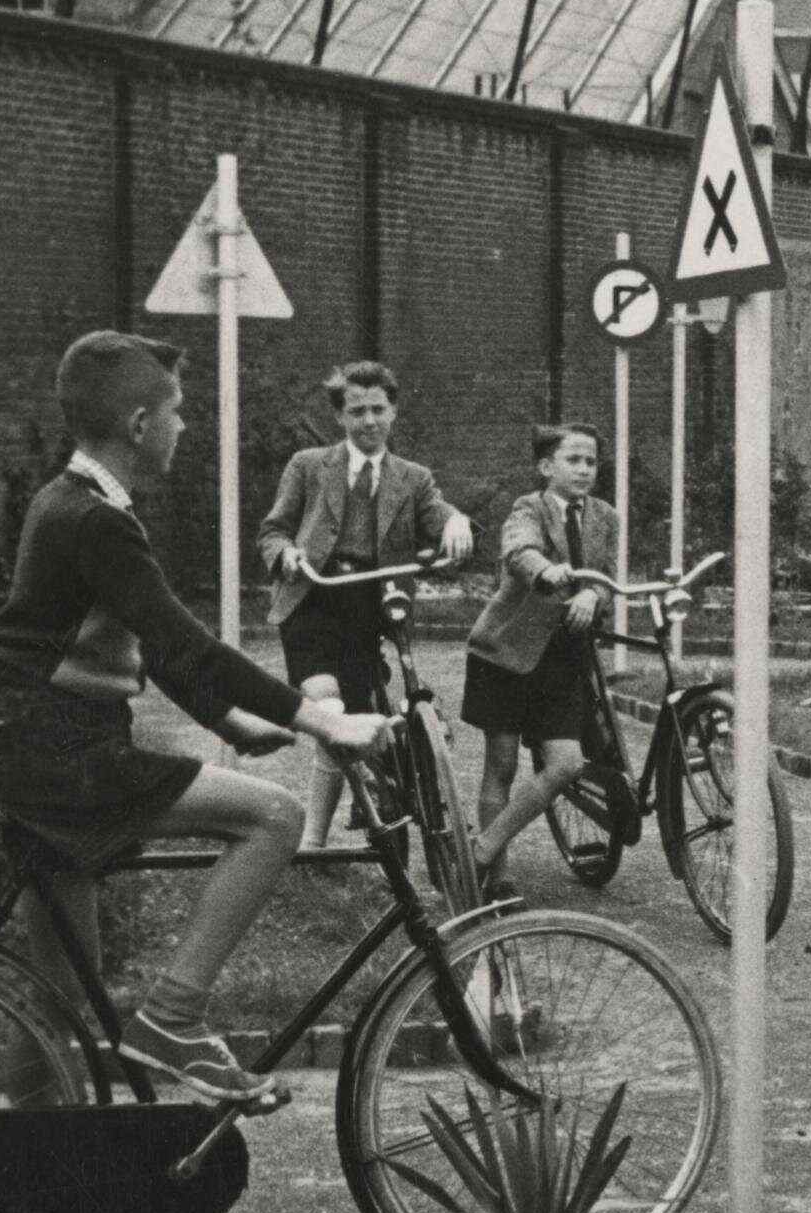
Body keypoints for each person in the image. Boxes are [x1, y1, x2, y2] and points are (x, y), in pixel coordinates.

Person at [0, 333, 390, 1110]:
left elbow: (150, 647)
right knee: (275, 818)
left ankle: (28, 1197)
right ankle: (173, 1017)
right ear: (139, 424)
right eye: (176, 411)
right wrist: (317, 720)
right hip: (63, 757)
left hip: (27, 750)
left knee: (61, 998)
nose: (185, 426)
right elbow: (183, 641)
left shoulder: (75, 503)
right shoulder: (95, 519)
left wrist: (232, 723)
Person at [260, 360, 473, 849]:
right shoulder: (309, 465)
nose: (370, 421)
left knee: (355, 724)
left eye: (378, 409)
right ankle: (313, 842)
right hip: (312, 599)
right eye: (357, 411)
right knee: (330, 708)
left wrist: (456, 520)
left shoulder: (413, 477)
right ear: (341, 417)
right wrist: (287, 554)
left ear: (393, 411)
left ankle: (371, 810)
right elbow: (273, 529)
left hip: (371, 608)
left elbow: (436, 515)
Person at [460, 424, 619, 884]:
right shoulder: (528, 507)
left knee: (567, 764)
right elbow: (518, 550)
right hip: (506, 653)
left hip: (563, 659)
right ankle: (497, 875)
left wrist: (594, 594)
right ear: (546, 467)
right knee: (502, 762)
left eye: (591, 461)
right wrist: (546, 571)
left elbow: (607, 574)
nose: (585, 469)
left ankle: (484, 847)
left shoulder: (605, 516)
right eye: (574, 460)